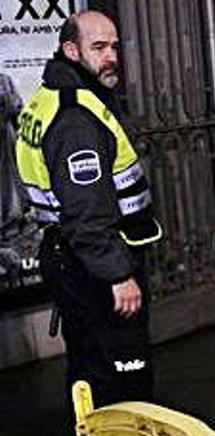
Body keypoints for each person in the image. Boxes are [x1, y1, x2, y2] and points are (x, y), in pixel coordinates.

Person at [15, 10, 162, 407]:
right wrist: (118, 274)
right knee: (122, 373)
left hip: (68, 256)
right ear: (71, 50)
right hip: (93, 266)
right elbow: (86, 211)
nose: (111, 55)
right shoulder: (76, 118)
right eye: (98, 47)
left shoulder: (50, 97)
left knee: (87, 364)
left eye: (114, 46)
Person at [1, 73, 23, 226]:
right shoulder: (4, 81)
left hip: (5, 137)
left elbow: (17, 107)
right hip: (6, 135)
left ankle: (10, 216)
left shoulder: (4, 80)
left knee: (8, 179)